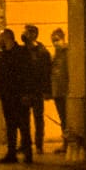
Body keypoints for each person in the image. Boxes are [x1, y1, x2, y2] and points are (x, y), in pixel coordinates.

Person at [0, 27, 33, 163]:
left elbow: (28, 74)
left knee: (23, 124)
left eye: (0, 38)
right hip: (7, 96)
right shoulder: (2, 54)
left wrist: (27, 93)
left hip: (20, 95)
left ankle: (28, 153)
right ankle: (11, 154)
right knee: (10, 125)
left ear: (7, 38)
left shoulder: (22, 53)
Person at [20, 25, 54, 155]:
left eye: (28, 32)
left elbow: (46, 73)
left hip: (37, 90)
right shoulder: (22, 51)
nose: (25, 34)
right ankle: (25, 144)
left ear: (34, 34)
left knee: (38, 118)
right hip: (25, 90)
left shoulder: (42, 52)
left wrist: (47, 91)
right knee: (24, 119)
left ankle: (39, 144)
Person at [49, 28, 70, 135]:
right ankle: (65, 142)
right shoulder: (55, 55)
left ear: (63, 38)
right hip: (57, 92)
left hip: (66, 91)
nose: (55, 43)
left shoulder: (68, 53)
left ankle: (68, 143)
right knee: (62, 119)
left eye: (57, 40)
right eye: (53, 41)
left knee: (68, 119)